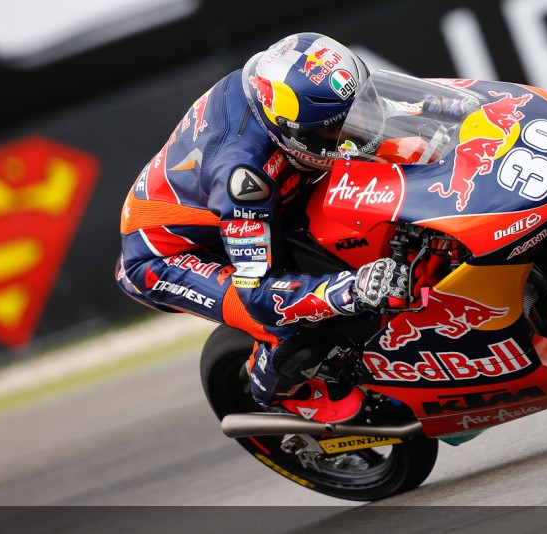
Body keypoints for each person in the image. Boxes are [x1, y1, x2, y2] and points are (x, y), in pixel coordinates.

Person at [116, 33, 410, 424]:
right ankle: (278, 394)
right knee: (289, 324)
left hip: (238, 205)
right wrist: (354, 289)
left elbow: (379, 110)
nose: (353, 134)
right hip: (166, 254)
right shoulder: (244, 176)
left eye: (357, 115)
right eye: (334, 132)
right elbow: (258, 292)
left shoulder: (278, 88)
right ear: (292, 131)